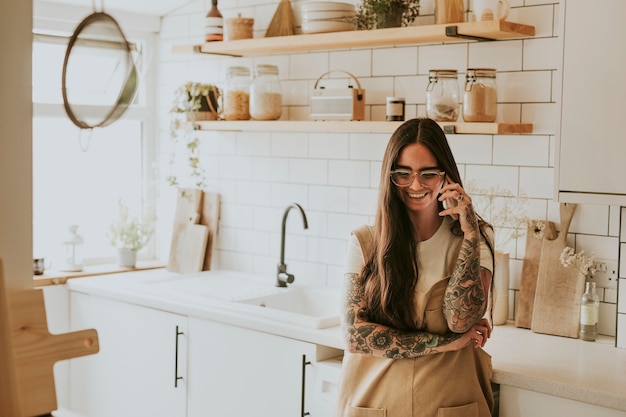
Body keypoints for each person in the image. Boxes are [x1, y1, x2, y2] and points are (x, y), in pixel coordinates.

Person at [336, 118, 496, 417]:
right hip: (375, 401)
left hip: (451, 402)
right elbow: (353, 336)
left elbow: (461, 321)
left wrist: (471, 231)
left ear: (446, 176)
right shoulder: (365, 242)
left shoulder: (475, 238)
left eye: (428, 174)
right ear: (389, 176)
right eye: (403, 174)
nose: (416, 185)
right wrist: (445, 345)